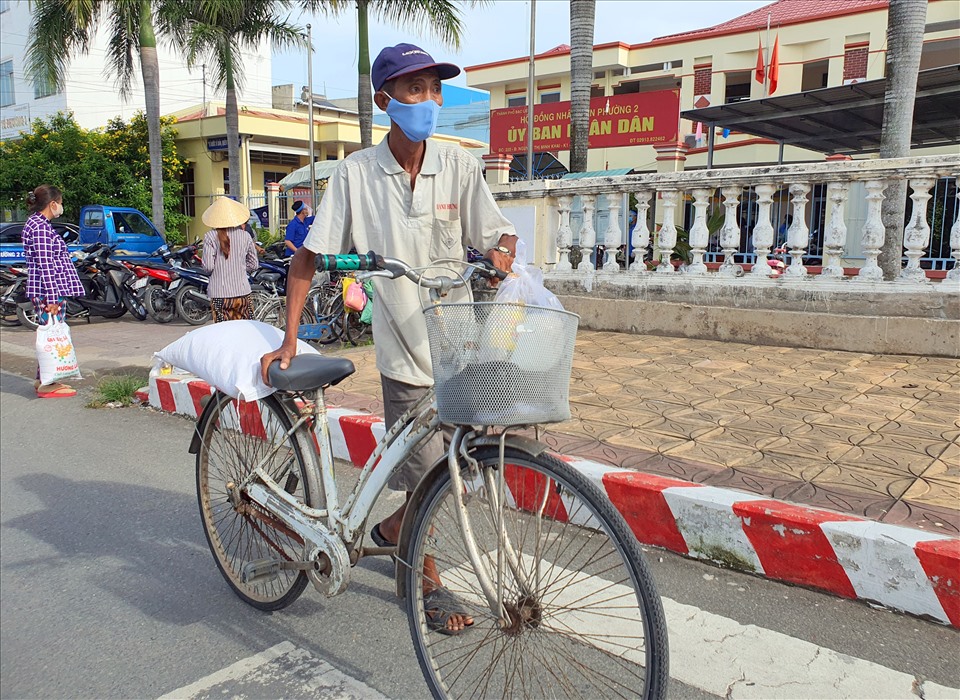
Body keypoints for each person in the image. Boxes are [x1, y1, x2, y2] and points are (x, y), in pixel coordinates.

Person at [261, 42, 517, 634]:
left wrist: (503, 253)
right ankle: (425, 581)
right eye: (413, 89)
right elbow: (308, 259)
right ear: (385, 101)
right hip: (403, 352)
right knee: (428, 476)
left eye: (434, 89)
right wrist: (290, 340)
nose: (428, 100)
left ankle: (391, 530)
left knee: (468, 471)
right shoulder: (355, 173)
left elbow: (496, 233)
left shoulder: (457, 165)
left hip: (458, 347)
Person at [22, 185, 85, 398]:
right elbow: (46, 264)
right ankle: (48, 383)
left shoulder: (37, 224)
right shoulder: (40, 227)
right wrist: (52, 298)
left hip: (47, 289)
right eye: (60, 202)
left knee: (50, 335)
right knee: (52, 335)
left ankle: (44, 379)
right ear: (52, 204)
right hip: (48, 290)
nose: (61, 207)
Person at [200, 197, 259, 322]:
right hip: (242, 292)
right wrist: (241, 268)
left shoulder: (210, 237)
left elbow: (208, 267)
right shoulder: (245, 236)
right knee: (244, 331)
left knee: (223, 334)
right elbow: (254, 265)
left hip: (219, 295)